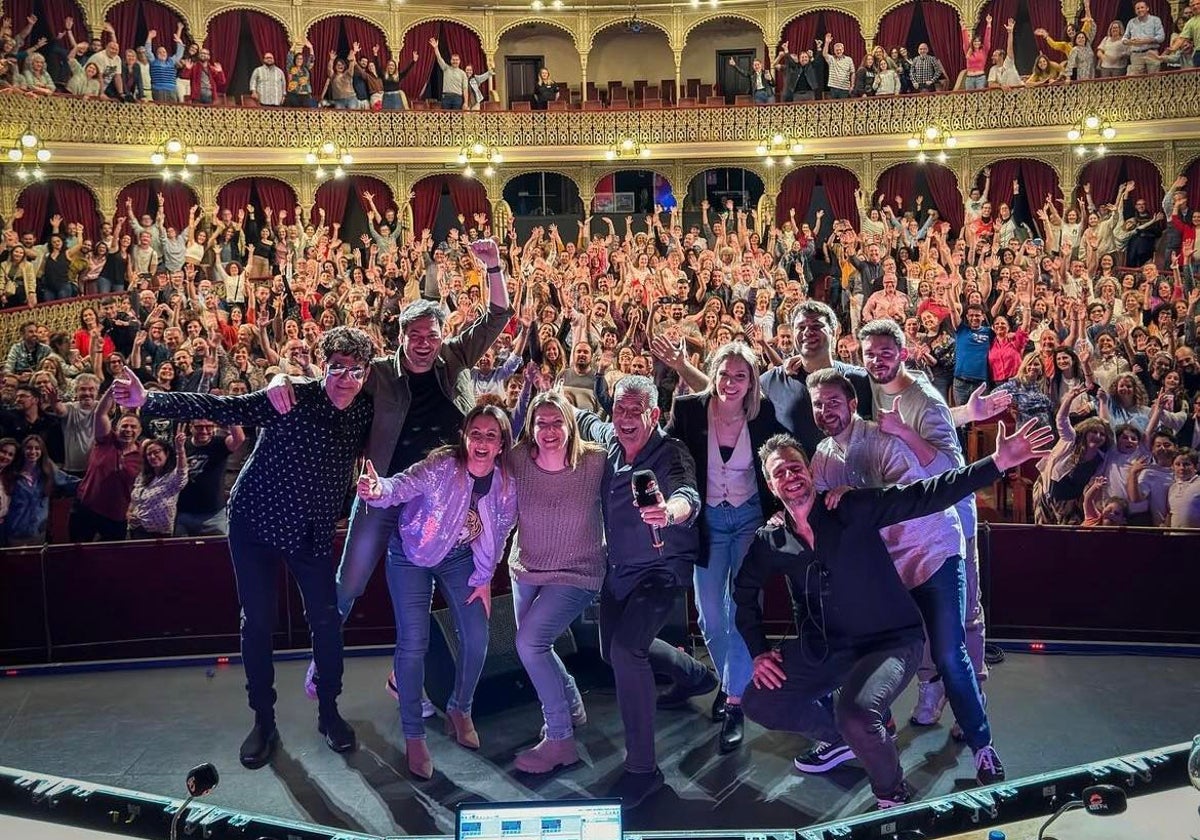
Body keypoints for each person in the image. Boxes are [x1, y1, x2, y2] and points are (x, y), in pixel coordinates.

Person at [736, 420, 1052, 808]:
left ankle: (892, 796)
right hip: (829, 647)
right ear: (771, 486)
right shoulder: (771, 539)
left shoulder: (848, 507)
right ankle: (839, 741)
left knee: (857, 713)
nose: (790, 477)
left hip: (889, 641)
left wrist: (997, 463)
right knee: (758, 701)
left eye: (795, 467)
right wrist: (758, 650)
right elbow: (743, 592)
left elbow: (926, 495)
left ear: (810, 471)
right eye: (779, 473)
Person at [111, 327, 376, 769]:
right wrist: (148, 400)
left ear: (366, 373)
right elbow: (220, 406)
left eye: (355, 370)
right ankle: (263, 721)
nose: (345, 378)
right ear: (322, 364)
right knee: (257, 621)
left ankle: (329, 713)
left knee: (326, 621)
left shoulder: (365, 408)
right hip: (255, 522)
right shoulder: (289, 397)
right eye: (337, 368)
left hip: (311, 530)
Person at [267, 239, 511, 703]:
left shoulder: (455, 357)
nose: (423, 344)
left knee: (431, 594)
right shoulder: (376, 372)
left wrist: (493, 266)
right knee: (350, 583)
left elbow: (497, 315)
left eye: (431, 336)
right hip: (382, 494)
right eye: (414, 336)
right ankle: (323, 659)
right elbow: (328, 383)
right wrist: (280, 379)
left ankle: (406, 680)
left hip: (443, 499)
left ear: (442, 336)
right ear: (400, 336)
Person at [576, 374, 716, 809]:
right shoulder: (610, 438)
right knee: (611, 649)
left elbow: (687, 494)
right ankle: (695, 675)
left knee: (625, 652)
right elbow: (583, 420)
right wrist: (553, 395)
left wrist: (668, 512)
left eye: (636, 411)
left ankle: (643, 770)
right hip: (619, 571)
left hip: (661, 571)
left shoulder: (670, 451)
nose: (626, 418)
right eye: (619, 409)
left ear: (654, 414)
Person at [358, 404, 517, 779]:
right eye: (475, 433)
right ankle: (414, 734)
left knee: (478, 637)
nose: (481, 441)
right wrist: (377, 488)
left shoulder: (507, 483)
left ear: (501, 445)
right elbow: (400, 485)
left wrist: (483, 578)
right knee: (414, 642)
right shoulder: (443, 464)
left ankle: (460, 709)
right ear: (464, 436)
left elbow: (501, 531)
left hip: (459, 558)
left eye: (490, 435)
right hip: (412, 554)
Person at [658, 341, 784, 752]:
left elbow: (781, 458)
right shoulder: (691, 409)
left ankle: (734, 704)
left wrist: (782, 509)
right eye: (725, 374)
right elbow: (670, 457)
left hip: (749, 518)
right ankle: (733, 677)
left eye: (740, 376)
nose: (731, 383)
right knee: (711, 616)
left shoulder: (762, 414)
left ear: (752, 383)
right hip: (707, 521)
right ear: (712, 373)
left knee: (740, 609)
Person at [506, 390, 607, 774]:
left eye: (556, 422)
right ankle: (573, 705)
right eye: (541, 423)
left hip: (578, 572)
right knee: (535, 646)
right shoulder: (517, 459)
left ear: (570, 423)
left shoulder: (596, 461)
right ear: (531, 428)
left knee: (530, 643)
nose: (549, 430)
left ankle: (560, 738)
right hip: (527, 567)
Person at [127, 431, 188, 539]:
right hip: (136, 529)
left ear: (166, 453)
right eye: (149, 454)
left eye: (156, 452)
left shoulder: (172, 478)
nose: (153, 456)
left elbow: (182, 471)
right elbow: (134, 499)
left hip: (159, 533)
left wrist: (180, 449)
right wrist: (129, 512)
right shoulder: (143, 476)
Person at [430, 37, 468, 110]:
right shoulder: (446, 68)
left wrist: (465, 102)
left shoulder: (462, 73)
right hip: (446, 97)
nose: (455, 61)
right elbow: (439, 58)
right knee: (445, 118)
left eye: (456, 60)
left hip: (457, 98)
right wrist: (435, 48)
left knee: (456, 119)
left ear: (459, 61)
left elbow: (465, 89)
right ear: (450, 61)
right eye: (453, 60)